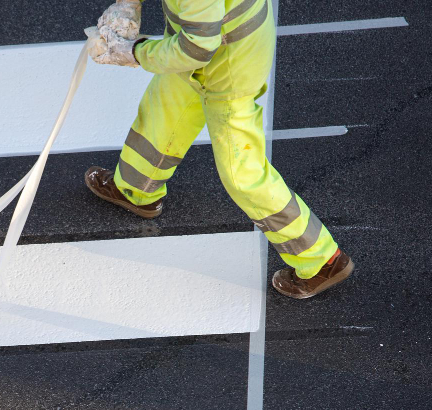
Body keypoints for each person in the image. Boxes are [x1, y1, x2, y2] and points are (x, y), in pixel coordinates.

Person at [85, 0, 353, 298]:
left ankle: (322, 260)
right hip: (197, 39)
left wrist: (134, 52)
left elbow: (198, 49)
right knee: (164, 111)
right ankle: (135, 189)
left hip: (231, 62)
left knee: (241, 173)